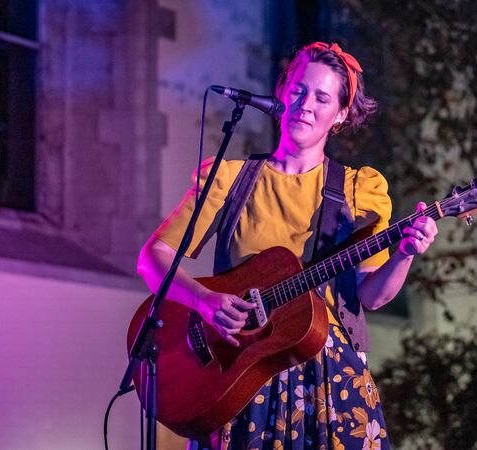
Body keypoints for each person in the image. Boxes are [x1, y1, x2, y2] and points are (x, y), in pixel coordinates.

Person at [137, 41, 437, 450]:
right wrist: (205, 300)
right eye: (298, 89)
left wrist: (404, 254)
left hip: (327, 382)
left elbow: (373, 295)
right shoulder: (230, 179)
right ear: (281, 93)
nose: (306, 104)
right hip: (239, 378)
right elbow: (153, 259)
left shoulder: (358, 190)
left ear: (341, 114)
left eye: (322, 97)